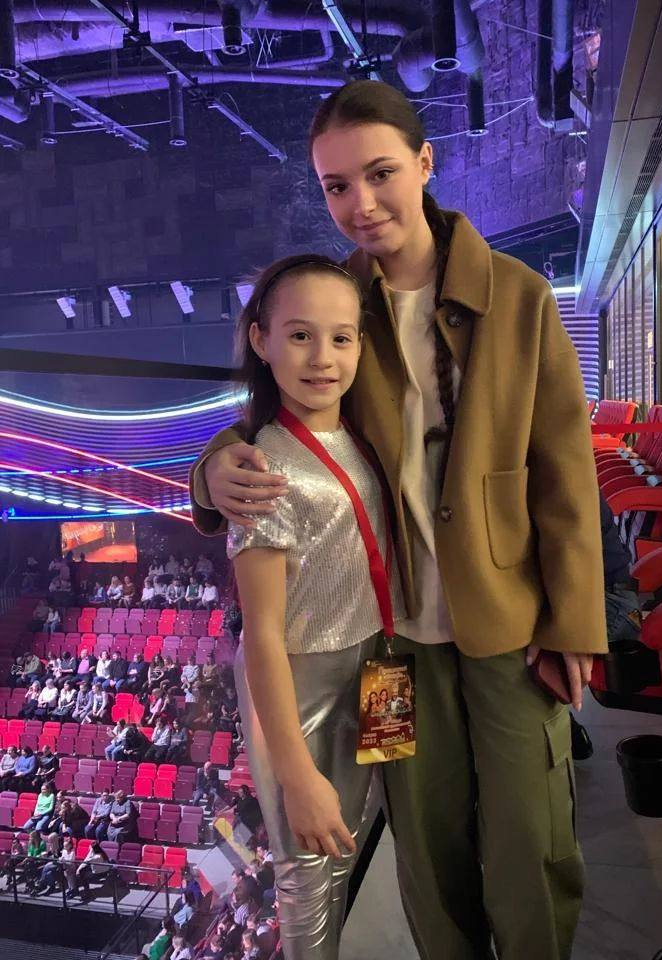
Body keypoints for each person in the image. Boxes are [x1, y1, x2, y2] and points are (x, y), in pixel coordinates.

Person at [188, 80, 607, 960]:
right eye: (337, 186)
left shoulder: (518, 296)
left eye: (380, 173)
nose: (362, 203)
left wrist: (574, 621)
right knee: (426, 846)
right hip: (395, 642)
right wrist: (212, 466)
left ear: (425, 162)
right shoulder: (338, 302)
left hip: (508, 619)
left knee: (529, 841)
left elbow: (565, 472)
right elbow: (281, 414)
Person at [214, 252, 406, 960]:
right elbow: (262, 635)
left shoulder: (359, 435)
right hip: (300, 683)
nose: (322, 357)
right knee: (305, 871)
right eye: (299, 335)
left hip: (379, 661)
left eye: (341, 337)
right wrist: (293, 775)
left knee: (352, 838)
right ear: (261, 341)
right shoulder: (262, 468)